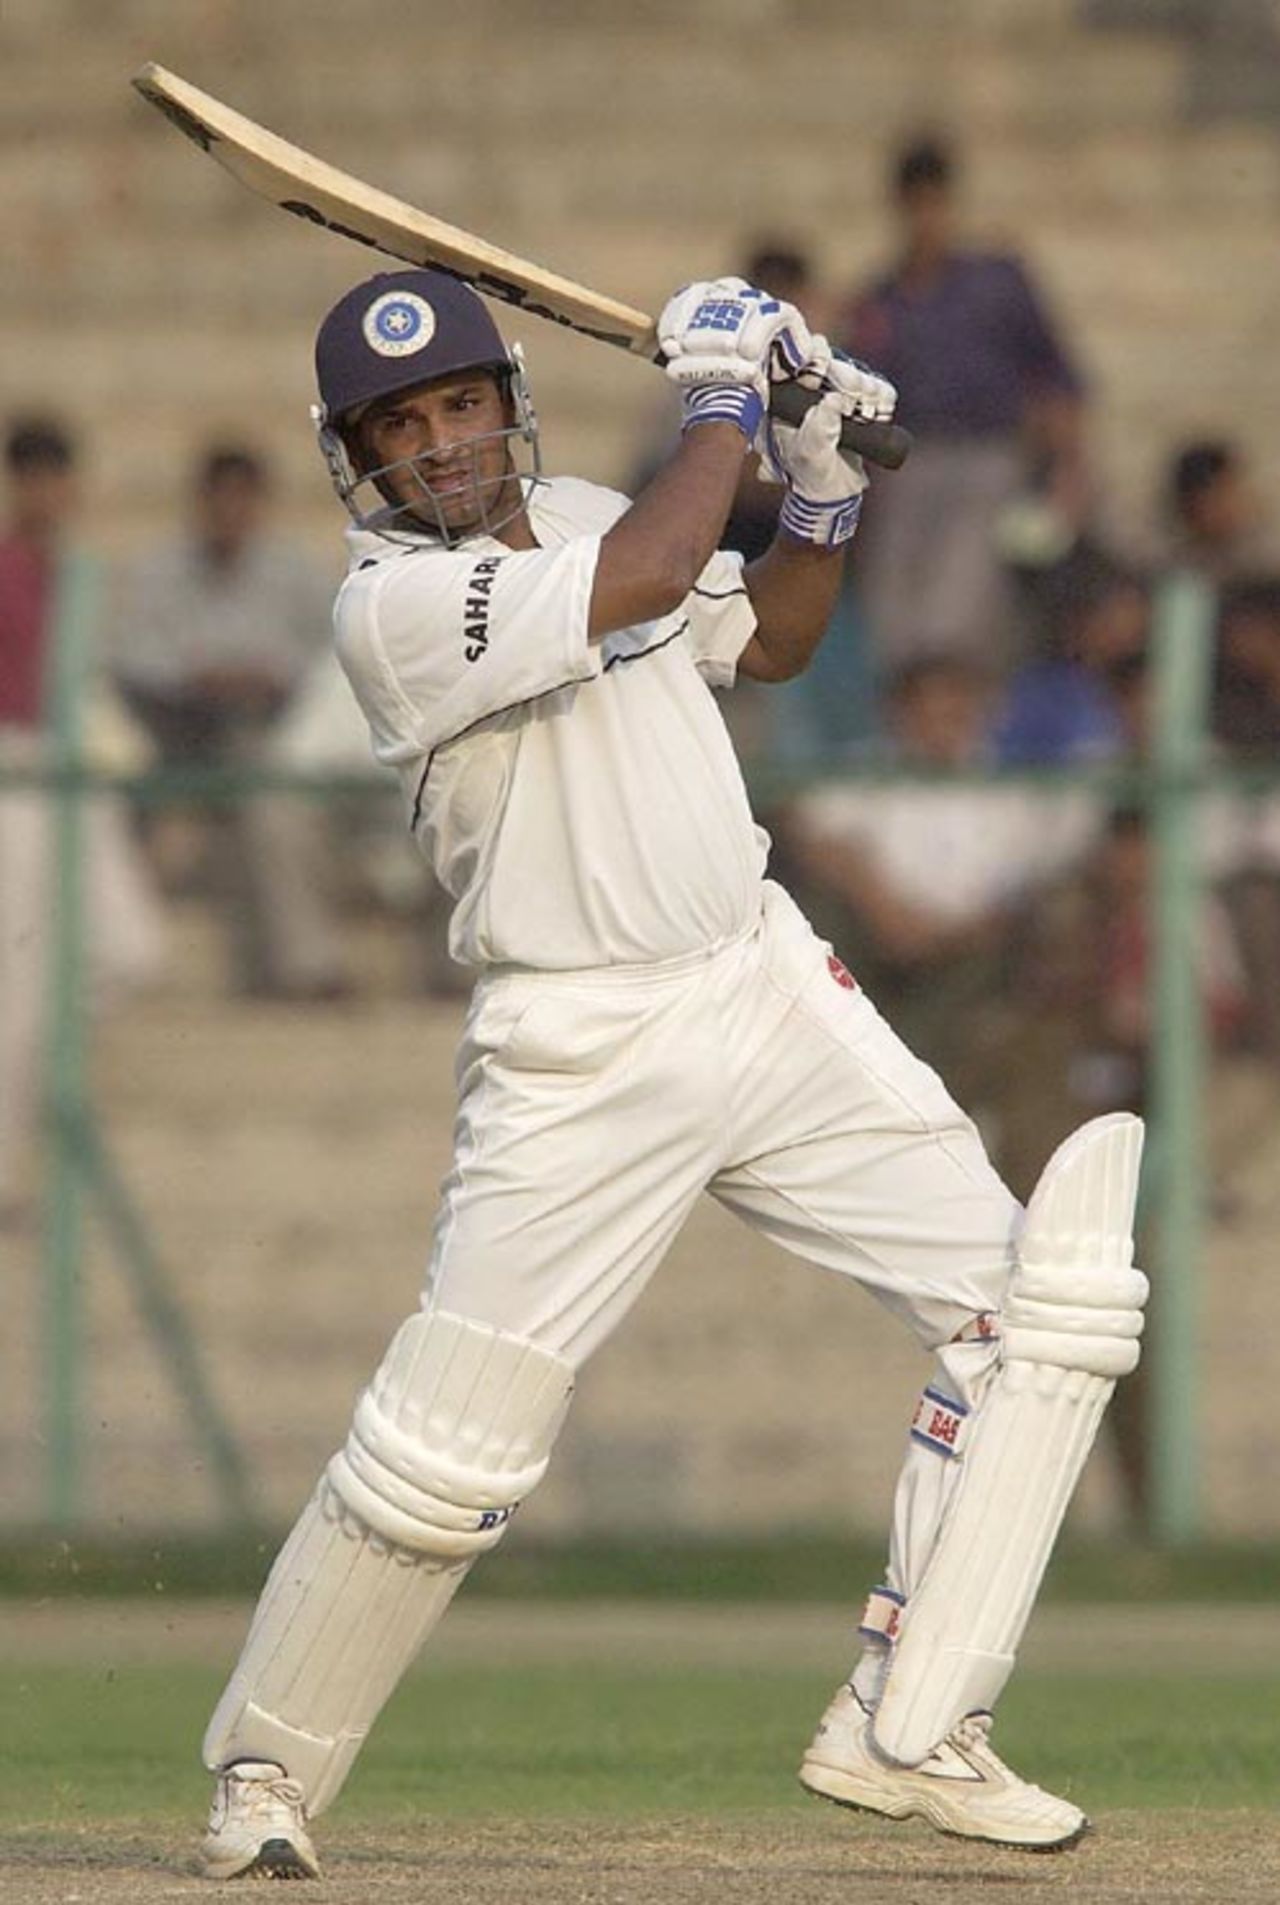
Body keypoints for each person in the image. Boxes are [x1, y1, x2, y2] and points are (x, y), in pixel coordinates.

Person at [196, 268, 1148, 1880]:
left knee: (1036, 1314)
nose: (438, 447)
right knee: (449, 1455)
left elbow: (765, 638)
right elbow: (639, 577)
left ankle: (909, 1720)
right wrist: (723, 389)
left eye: (458, 406)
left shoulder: (568, 500)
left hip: (757, 981)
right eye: (401, 427)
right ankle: (262, 1781)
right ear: (357, 458)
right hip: (574, 1046)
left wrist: (824, 482)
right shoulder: (392, 608)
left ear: (507, 404)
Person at [839, 134, 1088, 679]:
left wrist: (1069, 471)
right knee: (894, 612)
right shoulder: (880, 299)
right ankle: (908, 730)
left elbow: (1055, 377)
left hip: (988, 458)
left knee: (958, 605)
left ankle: (954, 731)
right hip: (904, 466)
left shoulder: (997, 281)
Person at [0, 417, 163, 1227]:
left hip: (72, 762)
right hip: (17, 770)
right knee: (18, 980)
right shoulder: (7, 570)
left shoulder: (78, 572)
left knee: (127, 950)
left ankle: (44, 1084)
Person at [112, 445, 351, 1000]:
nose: (230, 514)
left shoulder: (292, 571)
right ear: (201, 503)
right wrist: (201, 678)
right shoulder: (160, 569)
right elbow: (131, 660)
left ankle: (307, 968)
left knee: (274, 804)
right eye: (220, 501)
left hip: (269, 740)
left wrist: (267, 678)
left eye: (242, 502)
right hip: (178, 745)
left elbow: (334, 655)